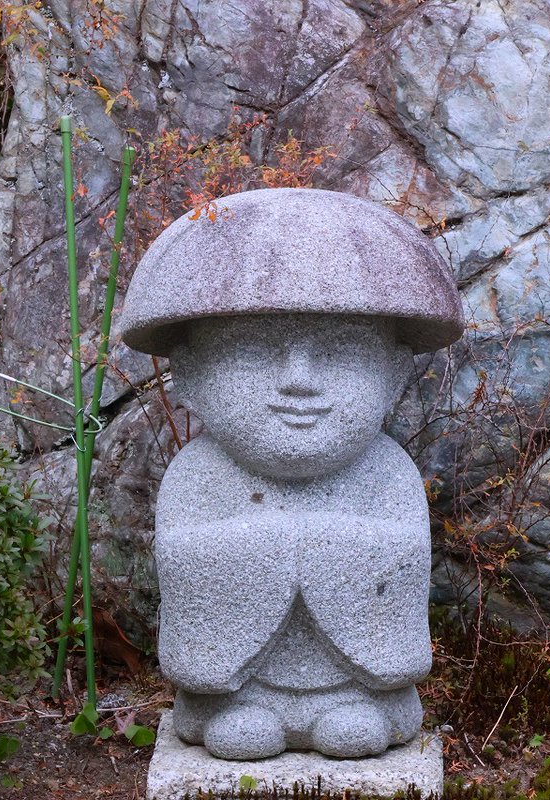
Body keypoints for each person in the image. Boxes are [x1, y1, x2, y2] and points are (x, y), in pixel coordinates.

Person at [118, 188, 463, 760]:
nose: (299, 381)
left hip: (356, 690)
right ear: (191, 376)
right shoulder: (198, 474)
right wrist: (282, 544)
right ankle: (232, 706)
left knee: (356, 727)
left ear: (393, 377)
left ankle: (355, 705)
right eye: (254, 351)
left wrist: (311, 545)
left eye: (340, 353)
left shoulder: (386, 472)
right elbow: (183, 567)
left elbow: (402, 564)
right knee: (236, 728)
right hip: (236, 694)